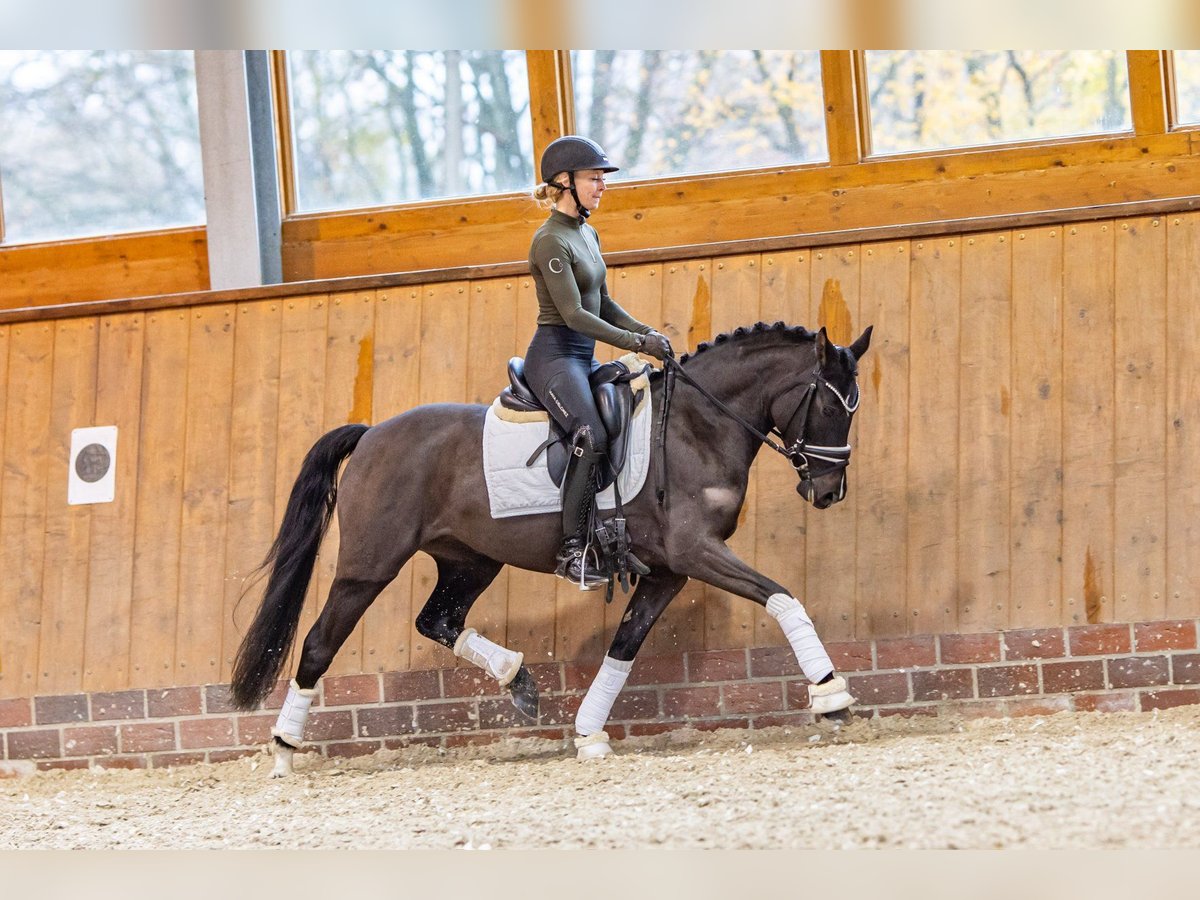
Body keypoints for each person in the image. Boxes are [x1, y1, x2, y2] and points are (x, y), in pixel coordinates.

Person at [525, 135, 672, 589]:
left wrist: (647, 333)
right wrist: (635, 341)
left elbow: (603, 302)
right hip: (554, 357)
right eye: (594, 178)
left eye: (602, 179)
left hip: (583, 357)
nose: (602, 186)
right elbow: (574, 315)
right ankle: (572, 550)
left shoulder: (587, 233)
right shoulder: (549, 240)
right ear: (564, 183)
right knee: (588, 434)